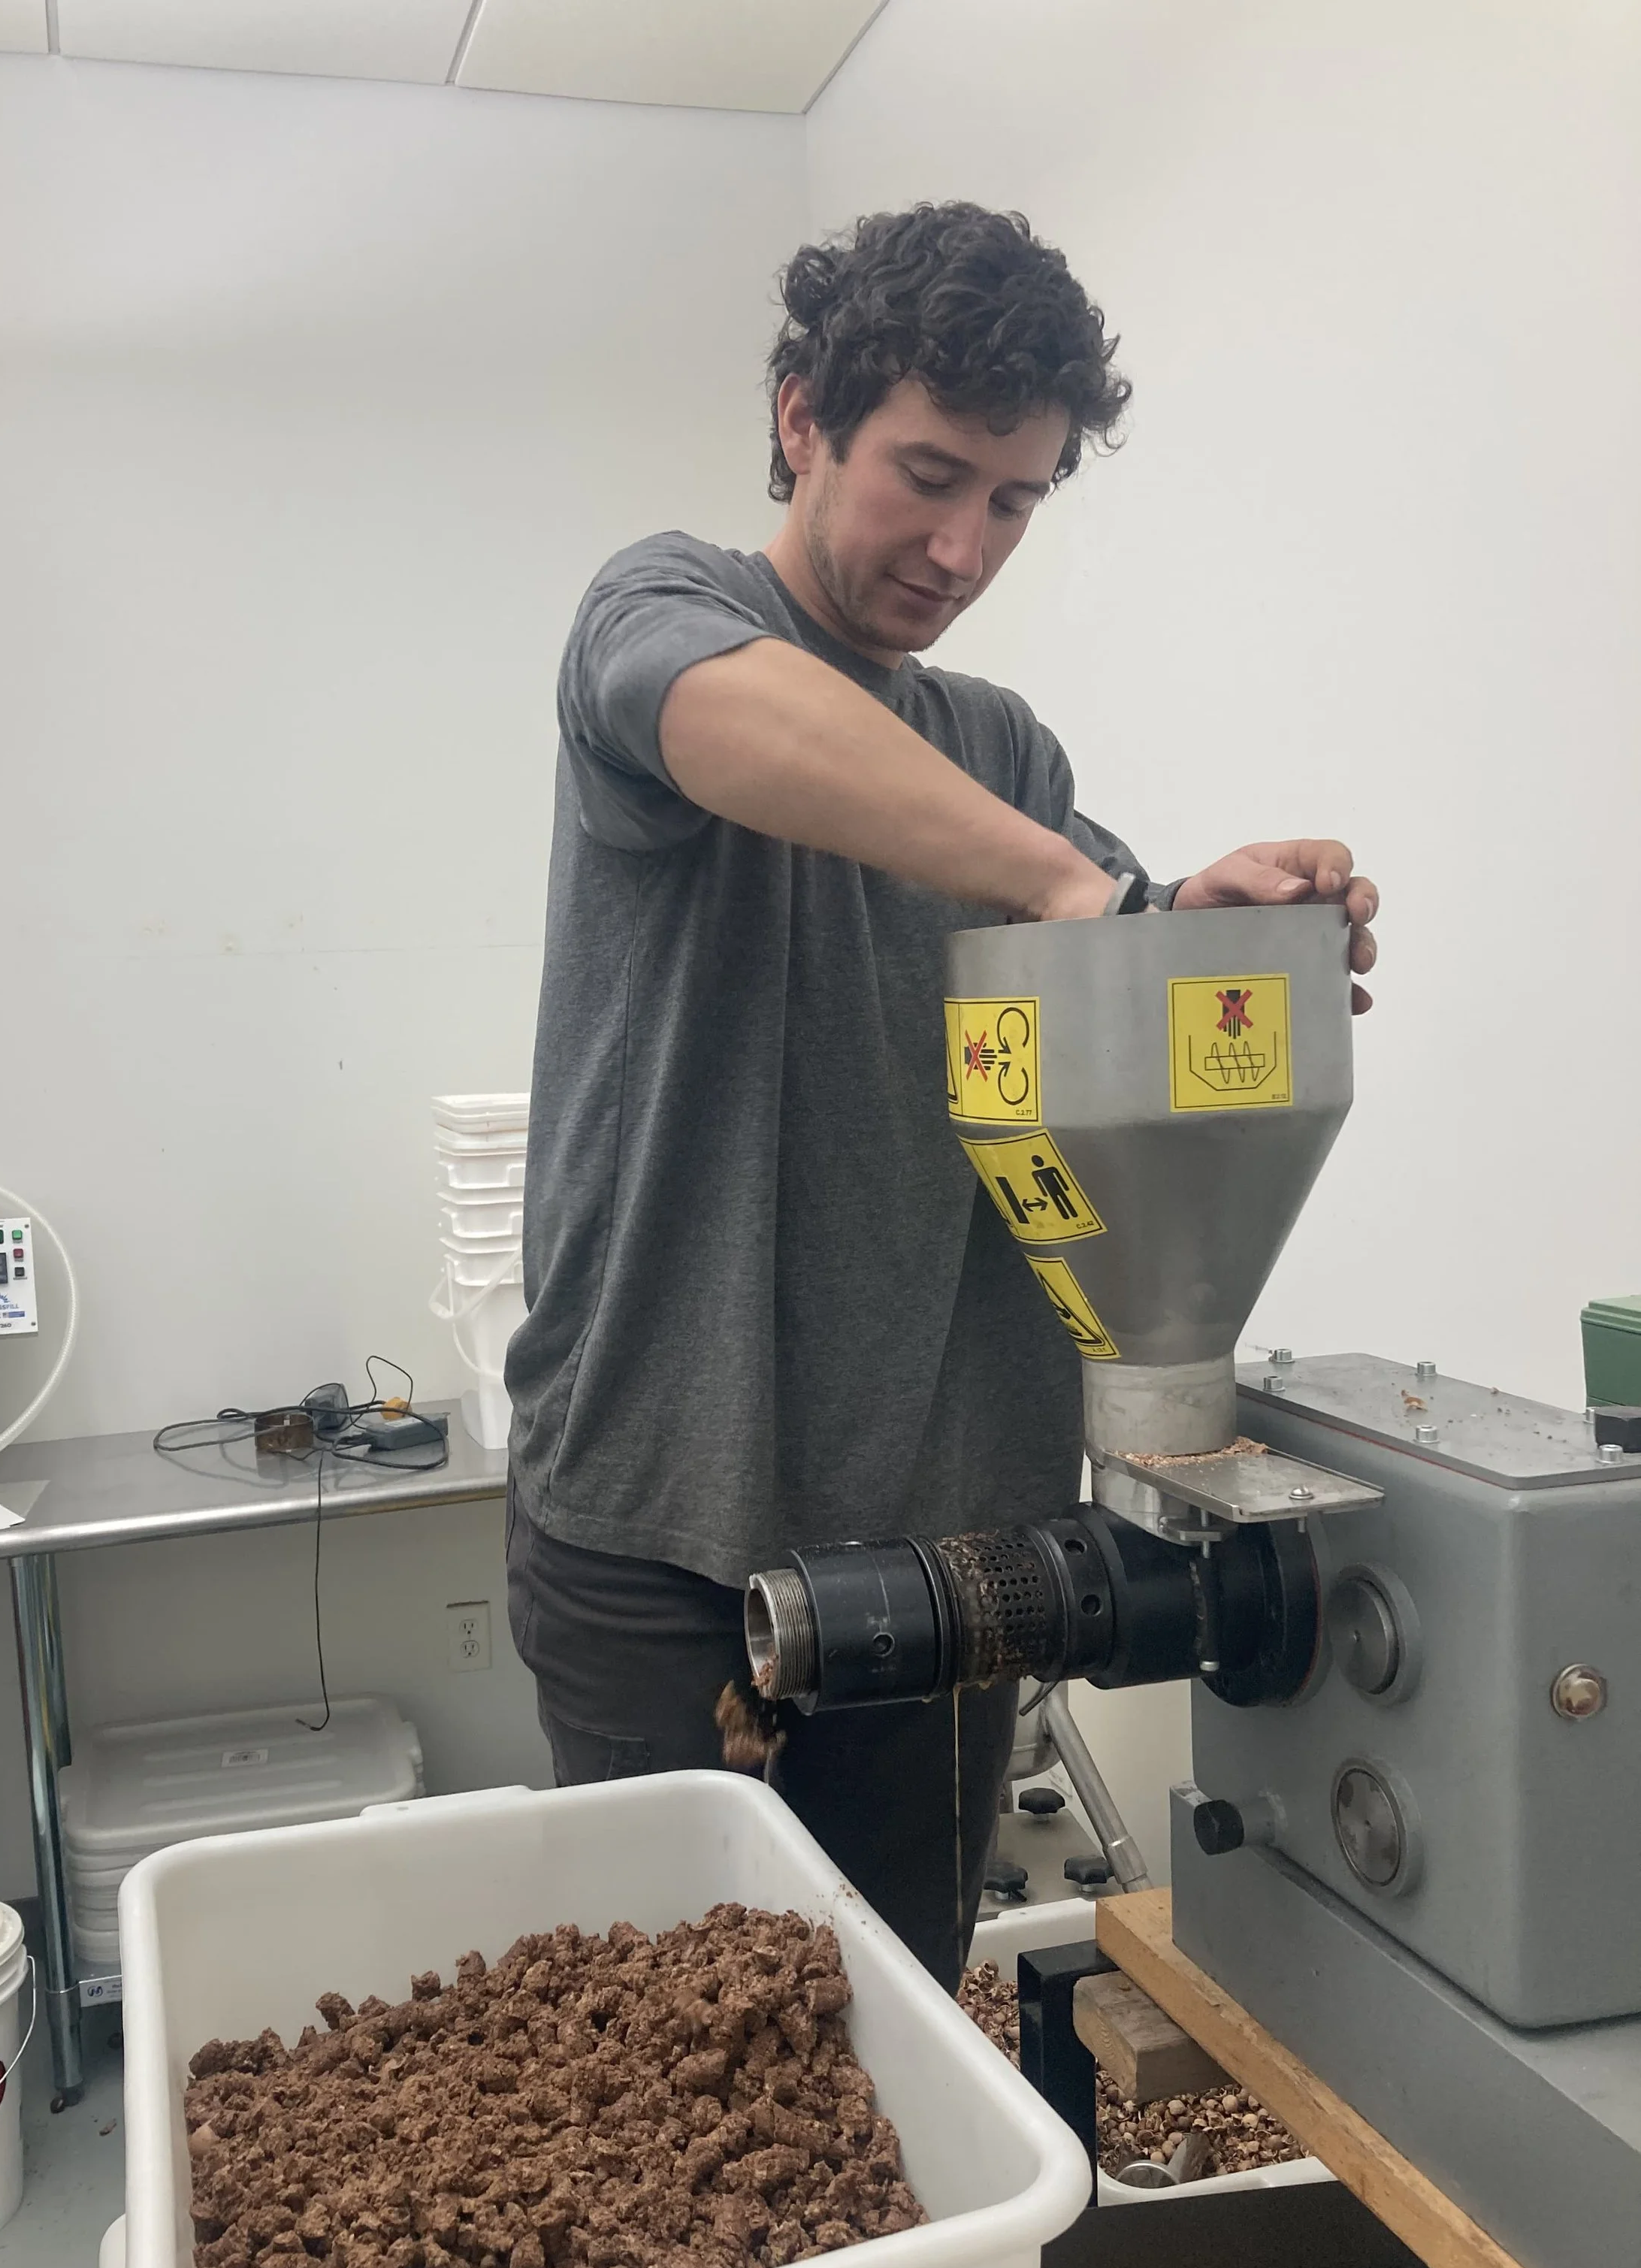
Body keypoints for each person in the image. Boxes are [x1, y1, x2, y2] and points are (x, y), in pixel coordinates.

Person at [503, 201, 1378, 1992]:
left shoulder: (1000, 750)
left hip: (946, 1538)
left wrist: (1200, 925)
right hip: (661, 1520)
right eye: (926, 476)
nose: (961, 546)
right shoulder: (659, 612)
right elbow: (743, 725)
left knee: (896, 2004)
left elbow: (1098, 940)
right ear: (800, 418)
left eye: (1013, 501)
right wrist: (1074, 886)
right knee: (681, 2049)